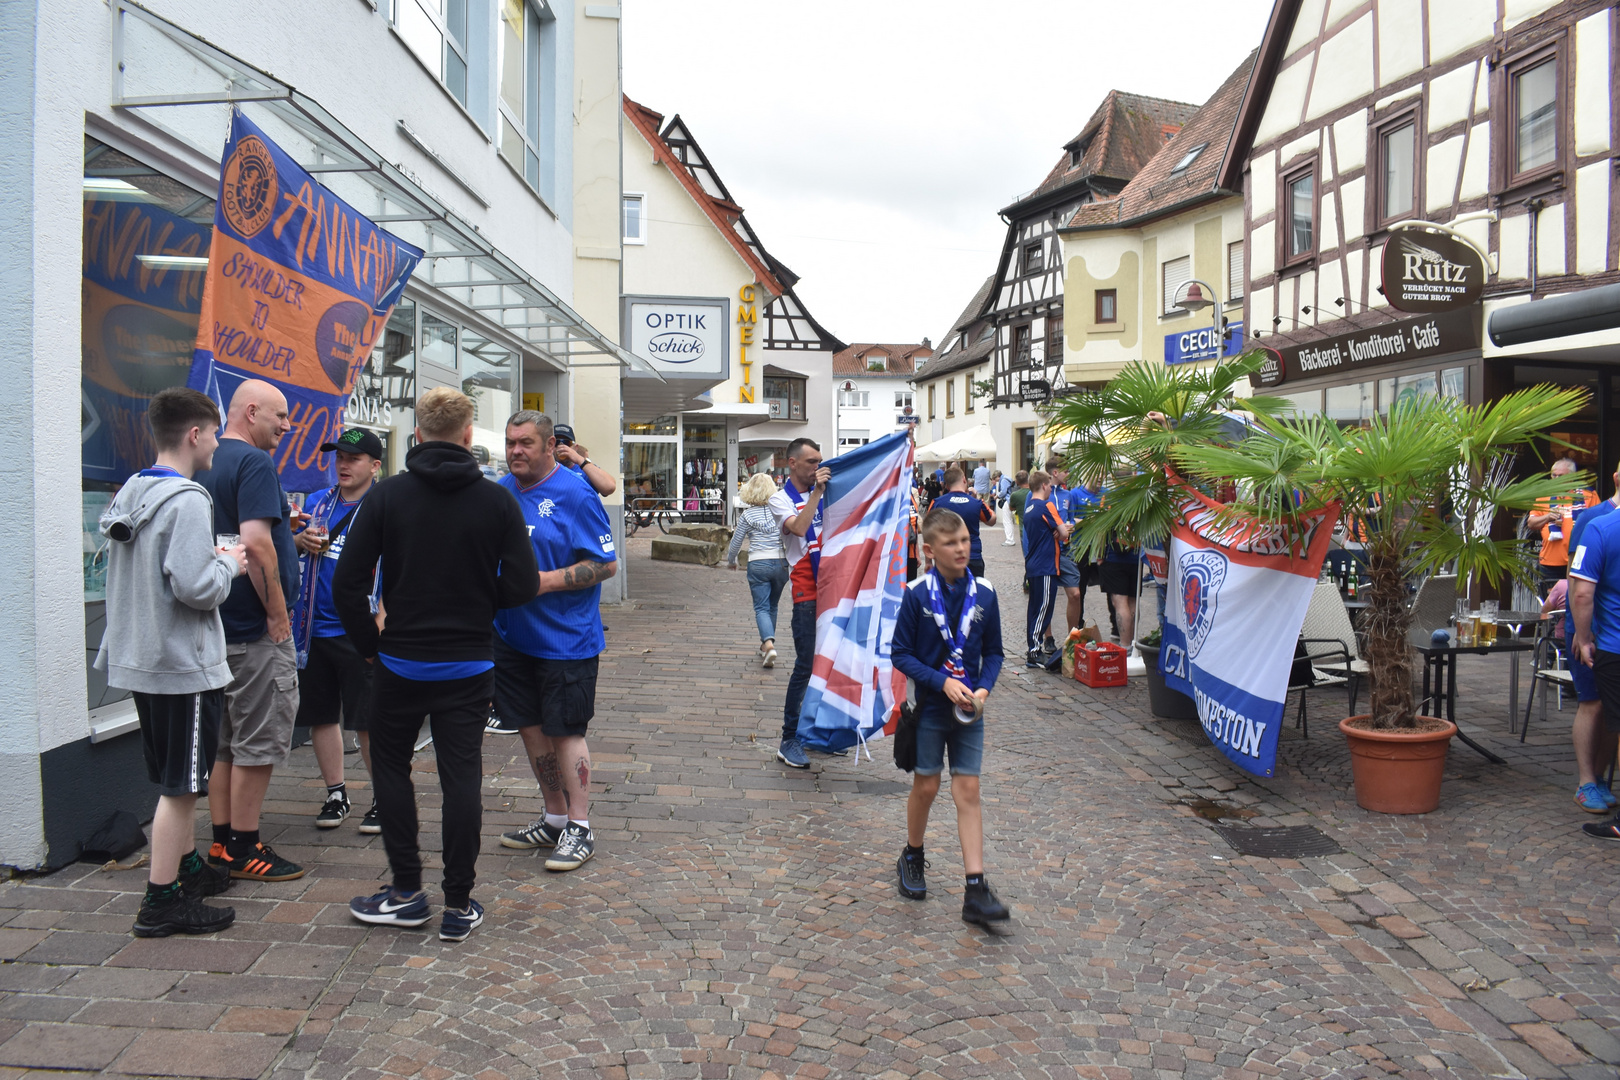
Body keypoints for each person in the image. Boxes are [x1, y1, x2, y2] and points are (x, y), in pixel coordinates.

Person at [334, 388, 539, 942]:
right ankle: (458, 903)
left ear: (418, 434)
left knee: (392, 770)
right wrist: (477, 600)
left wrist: (369, 647)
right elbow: (521, 584)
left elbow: (347, 584)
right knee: (461, 778)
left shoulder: (387, 497)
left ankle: (405, 892)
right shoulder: (498, 501)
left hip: (399, 662)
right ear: (470, 436)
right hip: (468, 666)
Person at [98, 389, 248, 936]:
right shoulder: (189, 500)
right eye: (213, 433)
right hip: (181, 664)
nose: (215, 442)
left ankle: (186, 869)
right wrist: (229, 564)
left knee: (172, 776)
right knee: (181, 787)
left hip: (142, 657)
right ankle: (161, 903)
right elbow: (195, 588)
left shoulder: (132, 492)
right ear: (194, 434)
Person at [491, 413, 619, 873]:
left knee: (566, 732)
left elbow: (605, 565)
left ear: (551, 447)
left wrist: (543, 581)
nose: (515, 451)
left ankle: (580, 827)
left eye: (525, 443)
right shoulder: (502, 491)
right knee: (530, 728)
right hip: (511, 636)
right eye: (510, 443)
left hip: (566, 641)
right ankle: (554, 817)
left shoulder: (576, 493)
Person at [194, 380, 305, 883]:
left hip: (214, 629)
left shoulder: (204, 461)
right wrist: (278, 614)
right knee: (257, 744)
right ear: (252, 411)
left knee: (224, 745)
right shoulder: (255, 463)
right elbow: (257, 544)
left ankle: (221, 843)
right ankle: (245, 846)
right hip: (254, 632)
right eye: (280, 417)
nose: (287, 426)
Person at [891, 507, 1010, 929]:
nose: (961, 549)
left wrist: (983, 688)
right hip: (930, 709)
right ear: (929, 550)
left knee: (969, 789)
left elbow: (994, 652)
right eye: (950, 543)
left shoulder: (987, 594)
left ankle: (975, 888)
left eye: (964, 541)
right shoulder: (917, 594)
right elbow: (900, 653)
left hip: (968, 711)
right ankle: (913, 853)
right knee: (926, 785)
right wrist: (941, 683)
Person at [292, 427, 384, 834]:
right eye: (339, 457)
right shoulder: (318, 502)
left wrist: (383, 620)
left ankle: (385, 797)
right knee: (321, 715)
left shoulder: (385, 505)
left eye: (354, 458)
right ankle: (336, 793)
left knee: (367, 720)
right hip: (313, 627)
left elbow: (401, 568)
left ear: (375, 465)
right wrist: (299, 541)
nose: (343, 465)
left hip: (359, 629)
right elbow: (291, 548)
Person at [769, 438, 832, 769]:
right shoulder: (779, 500)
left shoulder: (828, 490)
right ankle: (788, 739)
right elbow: (799, 527)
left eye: (820, 461)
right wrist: (818, 494)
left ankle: (818, 733)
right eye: (811, 462)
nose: (817, 467)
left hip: (833, 590)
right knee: (806, 666)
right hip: (807, 594)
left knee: (830, 665)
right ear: (792, 463)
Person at [1560, 467, 1620, 813]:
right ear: (1614, 478)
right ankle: (1586, 781)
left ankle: (1599, 777)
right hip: (1591, 632)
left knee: (1612, 711)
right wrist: (1578, 632)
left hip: (1609, 638)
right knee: (1592, 703)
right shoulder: (1593, 520)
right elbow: (1576, 580)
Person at [726, 472, 788, 668]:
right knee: (773, 606)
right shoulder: (780, 511)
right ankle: (766, 645)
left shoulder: (747, 515)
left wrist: (731, 560)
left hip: (758, 563)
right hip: (780, 562)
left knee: (761, 607)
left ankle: (768, 645)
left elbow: (736, 541)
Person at [1528, 458, 1598, 594]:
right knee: (1551, 608)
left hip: (1580, 561)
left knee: (1577, 603)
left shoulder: (1588, 496)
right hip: (1551, 565)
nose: (1555, 479)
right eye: (1553, 475)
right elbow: (1531, 523)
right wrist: (1548, 517)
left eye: (1560, 476)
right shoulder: (1544, 496)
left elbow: (1598, 524)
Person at [1022, 471, 1070, 667]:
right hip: (1045, 564)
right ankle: (1034, 650)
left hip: (1033, 562)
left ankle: (1033, 647)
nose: (1051, 488)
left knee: (1034, 608)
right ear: (1043, 486)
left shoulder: (1029, 507)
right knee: (1043, 608)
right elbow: (1064, 533)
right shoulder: (1046, 505)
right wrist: (1061, 531)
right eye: (1049, 485)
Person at [1046, 459, 1086, 640]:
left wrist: (1067, 527)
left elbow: (1071, 520)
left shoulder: (1067, 495)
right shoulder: (1040, 493)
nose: (1068, 474)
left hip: (1066, 551)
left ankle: (1072, 637)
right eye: (1065, 471)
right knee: (1048, 596)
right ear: (1055, 473)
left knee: (1075, 594)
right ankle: (1048, 638)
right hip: (1046, 551)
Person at [929, 467, 996, 577]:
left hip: (946, 556)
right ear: (964, 480)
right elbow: (992, 520)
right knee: (974, 591)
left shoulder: (937, 503)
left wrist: (928, 561)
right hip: (972, 555)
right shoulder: (976, 503)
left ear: (946, 485)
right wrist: (978, 499)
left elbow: (929, 531)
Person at [550, 423, 616, 498]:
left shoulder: (585, 469)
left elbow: (610, 487)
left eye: (566, 443)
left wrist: (578, 459)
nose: (561, 447)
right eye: (556, 443)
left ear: (575, 447)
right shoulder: (544, 471)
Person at [1006, 471, 1030, 548]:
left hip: (1024, 529)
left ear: (1017, 482)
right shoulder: (1034, 492)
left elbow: (1011, 508)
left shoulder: (1015, 495)